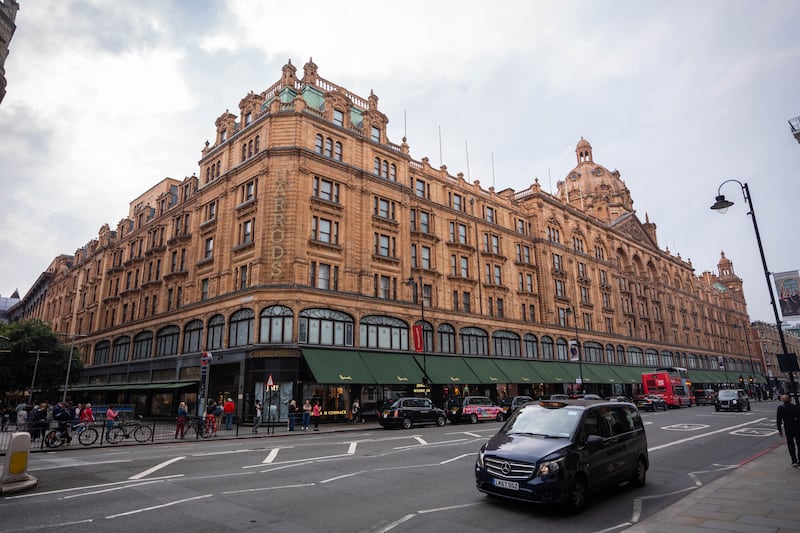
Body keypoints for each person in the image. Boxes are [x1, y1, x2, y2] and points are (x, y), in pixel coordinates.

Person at [776, 393, 800, 467]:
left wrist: (780, 430)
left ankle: (794, 460)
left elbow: (779, 420)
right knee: (799, 444)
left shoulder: (780, 408)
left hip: (788, 428)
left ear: (783, 400)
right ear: (790, 399)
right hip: (797, 428)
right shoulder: (796, 407)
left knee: (790, 444)